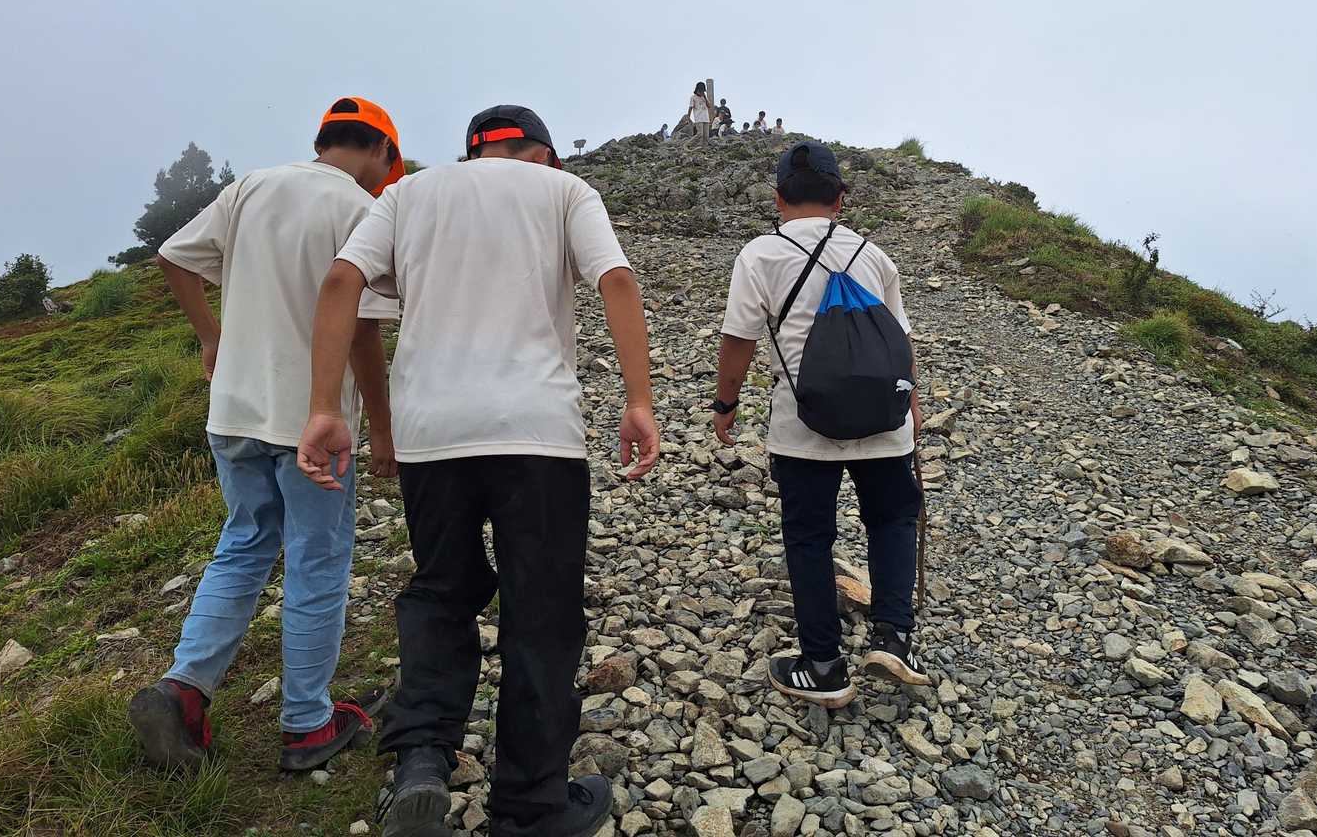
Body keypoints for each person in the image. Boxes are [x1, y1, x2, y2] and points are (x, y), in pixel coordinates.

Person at [297, 105, 660, 837]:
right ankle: (530, 806)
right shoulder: (566, 192)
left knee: (441, 590)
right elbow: (616, 280)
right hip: (537, 433)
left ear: (473, 152)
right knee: (542, 611)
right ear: (544, 154)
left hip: (432, 435)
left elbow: (341, 281)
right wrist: (639, 400)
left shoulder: (408, 193)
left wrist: (325, 408)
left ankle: (423, 758)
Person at [129, 97, 405, 772]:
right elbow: (363, 333)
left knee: (243, 544)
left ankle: (184, 691)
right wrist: (383, 427)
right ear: (380, 151)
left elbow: (173, 258)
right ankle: (308, 724)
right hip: (312, 420)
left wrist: (211, 338)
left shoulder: (252, 186)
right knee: (317, 560)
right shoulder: (359, 210)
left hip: (234, 412)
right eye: (389, 167)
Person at [711, 141, 928, 709]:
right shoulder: (874, 256)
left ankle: (824, 665)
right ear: (840, 198)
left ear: (778, 198)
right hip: (884, 420)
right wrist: (912, 402)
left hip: (804, 424)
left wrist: (726, 404)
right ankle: (894, 639)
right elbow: (899, 338)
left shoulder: (761, 254)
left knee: (810, 537)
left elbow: (738, 340)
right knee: (893, 521)